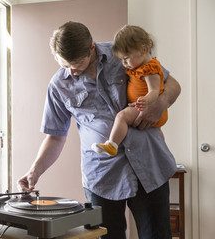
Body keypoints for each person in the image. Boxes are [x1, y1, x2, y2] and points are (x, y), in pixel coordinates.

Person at [17, 21, 181, 239]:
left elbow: (171, 84)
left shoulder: (122, 52)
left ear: (91, 47)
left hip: (150, 165)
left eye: (76, 64)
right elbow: (55, 137)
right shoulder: (58, 85)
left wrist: (161, 103)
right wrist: (34, 172)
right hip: (102, 176)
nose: (71, 71)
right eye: (64, 65)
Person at [92, 25, 167, 157]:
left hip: (145, 106)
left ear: (143, 50)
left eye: (126, 58)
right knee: (157, 132)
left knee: (122, 116)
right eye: (121, 60)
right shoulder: (139, 67)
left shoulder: (150, 70)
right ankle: (161, 152)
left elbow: (154, 91)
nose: (124, 63)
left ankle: (112, 145)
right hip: (142, 106)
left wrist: (146, 100)